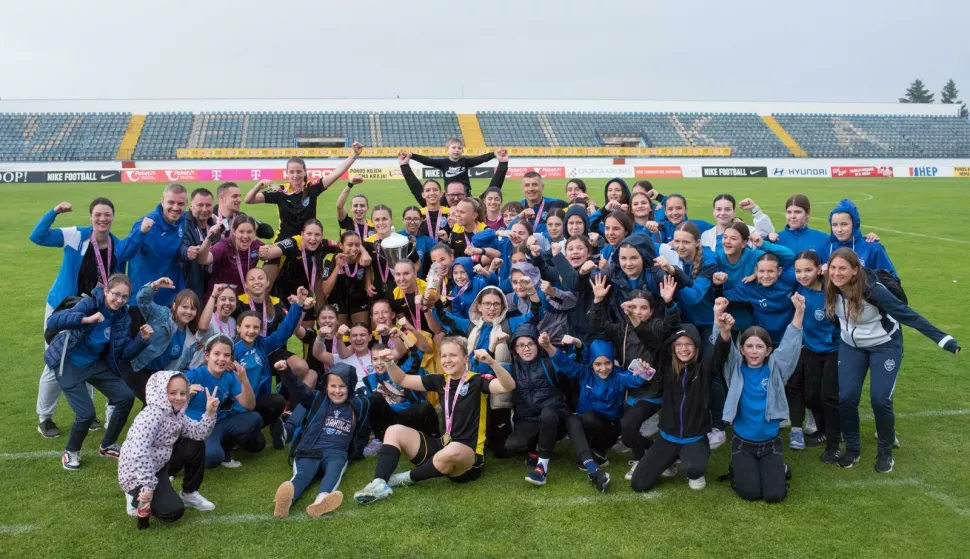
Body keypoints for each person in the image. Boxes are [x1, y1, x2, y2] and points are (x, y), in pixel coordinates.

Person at [826, 248, 960, 472]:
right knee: (846, 398)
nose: (836, 273)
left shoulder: (873, 291)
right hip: (851, 347)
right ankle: (852, 449)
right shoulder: (829, 285)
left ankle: (885, 451)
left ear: (855, 270)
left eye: (843, 268)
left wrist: (945, 340)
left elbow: (907, 314)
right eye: (833, 268)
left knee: (880, 399)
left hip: (885, 346)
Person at [30, 198, 151, 438]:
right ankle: (45, 417)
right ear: (90, 216)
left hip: (94, 310)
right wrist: (54, 211)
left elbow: (131, 249)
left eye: (107, 215)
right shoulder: (76, 235)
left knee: (89, 358)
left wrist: (142, 231)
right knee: (56, 361)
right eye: (98, 214)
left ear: (113, 217)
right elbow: (38, 236)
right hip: (64, 307)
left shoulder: (116, 245)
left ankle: (86, 412)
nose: (102, 219)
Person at [353, 337, 516, 505]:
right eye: (444, 355)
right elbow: (402, 380)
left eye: (453, 355)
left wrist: (491, 362)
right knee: (393, 430)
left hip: (468, 457)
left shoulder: (477, 380)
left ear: (465, 358)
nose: (447, 360)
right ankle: (379, 483)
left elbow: (508, 386)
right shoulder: (440, 380)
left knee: (453, 449)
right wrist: (389, 363)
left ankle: (399, 479)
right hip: (443, 446)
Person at [44, 274, 151, 470]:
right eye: (116, 294)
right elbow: (54, 321)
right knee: (86, 414)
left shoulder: (123, 316)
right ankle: (71, 452)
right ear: (106, 291)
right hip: (68, 363)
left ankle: (107, 445)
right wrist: (86, 319)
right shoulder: (90, 303)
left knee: (126, 396)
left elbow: (123, 353)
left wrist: (141, 340)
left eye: (124, 296)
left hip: (94, 364)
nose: (119, 300)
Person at [629, 300, 732, 493]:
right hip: (667, 437)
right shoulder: (666, 365)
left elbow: (720, 354)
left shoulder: (705, 367)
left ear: (696, 346)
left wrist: (724, 331)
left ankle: (693, 463)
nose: (684, 349)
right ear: (673, 347)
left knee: (694, 469)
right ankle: (671, 460)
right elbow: (649, 340)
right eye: (679, 344)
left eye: (689, 344)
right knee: (638, 484)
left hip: (695, 437)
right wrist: (633, 316)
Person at [538, 332, 649, 493]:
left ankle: (601, 452)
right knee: (572, 419)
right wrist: (548, 346)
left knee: (589, 417)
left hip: (609, 429)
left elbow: (637, 380)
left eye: (607, 363)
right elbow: (565, 363)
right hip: (587, 427)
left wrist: (644, 370)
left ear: (612, 362)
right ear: (591, 364)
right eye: (598, 364)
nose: (603, 368)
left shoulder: (618, 376)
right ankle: (592, 467)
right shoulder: (585, 373)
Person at [721, 294, 804, 503]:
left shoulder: (776, 369)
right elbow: (723, 346)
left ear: (768, 351)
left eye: (759, 347)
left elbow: (790, 345)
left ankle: (778, 468)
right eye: (749, 346)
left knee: (774, 495)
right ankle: (738, 466)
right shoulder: (735, 368)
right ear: (741, 350)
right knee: (750, 493)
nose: (754, 351)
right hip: (743, 443)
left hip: (770, 444)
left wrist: (799, 312)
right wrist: (720, 322)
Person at [118, 371, 219, 525]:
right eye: (172, 393)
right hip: (136, 474)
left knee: (195, 444)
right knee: (172, 511)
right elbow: (139, 453)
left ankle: (189, 493)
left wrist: (210, 413)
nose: (179, 397)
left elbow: (198, 433)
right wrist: (148, 486)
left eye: (183, 393)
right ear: (161, 391)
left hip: (160, 465)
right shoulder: (151, 415)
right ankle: (133, 494)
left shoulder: (176, 413)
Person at [274, 362, 370, 518]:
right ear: (326, 386)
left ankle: (321, 501)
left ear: (351, 386)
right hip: (310, 449)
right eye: (333, 386)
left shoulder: (358, 404)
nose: (337, 391)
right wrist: (286, 372)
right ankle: (285, 502)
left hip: (337, 452)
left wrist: (357, 452)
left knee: (334, 470)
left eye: (342, 386)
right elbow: (299, 388)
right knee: (302, 475)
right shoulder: (317, 398)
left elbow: (362, 430)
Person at [235, 286, 312, 449]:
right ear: (238, 328)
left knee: (277, 401)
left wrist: (298, 304)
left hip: (256, 400)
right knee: (254, 445)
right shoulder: (231, 351)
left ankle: (267, 423)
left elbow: (284, 332)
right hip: (237, 403)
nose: (251, 331)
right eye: (247, 327)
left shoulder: (262, 345)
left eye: (256, 327)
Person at [245, 145, 363, 241]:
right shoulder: (280, 190)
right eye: (292, 172)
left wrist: (354, 155)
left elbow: (336, 173)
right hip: (283, 240)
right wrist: (258, 186)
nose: (295, 175)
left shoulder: (312, 188)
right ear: (287, 173)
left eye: (299, 171)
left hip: (308, 241)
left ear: (305, 172)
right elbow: (248, 200)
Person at [505, 324, 569, 486]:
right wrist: (491, 348)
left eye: (530, 344)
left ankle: (542, 466)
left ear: (537, 345)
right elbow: (480, 367)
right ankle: (536, 447)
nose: (526, 349)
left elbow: (570, 367)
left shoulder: (549, 362)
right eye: (521, 345)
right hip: (528, 417)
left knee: (548, 415)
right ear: (515, 349)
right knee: (512, 446)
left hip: (554, 415)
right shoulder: (512, 369)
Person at [182, 335, 259, 469]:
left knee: (255, 418)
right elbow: (164, 397)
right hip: (193, 428)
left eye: (226, 355)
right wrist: (185, 393)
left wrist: (244, 380)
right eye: (216, 354)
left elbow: (249, 405)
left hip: (215, 424)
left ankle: (221, 446)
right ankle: (182, 453)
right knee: (213, 457)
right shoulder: (194, 375)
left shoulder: (229, 377)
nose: (222, 359)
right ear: (207, 356)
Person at [793, 251, 841, 460]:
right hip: (810, 349)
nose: (803, 275)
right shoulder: (798, 289)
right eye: (798, 271)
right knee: (811, 395)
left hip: (833, 350)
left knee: (829, 395)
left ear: (818, 269)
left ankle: (834, 444)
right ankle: (823, 430)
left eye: (808, 270)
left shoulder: (832, 290)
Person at [126, 279, 201, 402]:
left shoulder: (191, 342)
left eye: (193, 309)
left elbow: (184, 368)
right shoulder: (162, 314)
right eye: (184, 307)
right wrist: (154, 285)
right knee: (153, 402)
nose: (188, 312)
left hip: (160, 377)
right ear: (175, 306)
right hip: (138, 366)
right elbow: (142, 300)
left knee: (161, 404)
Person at [128, 183, 188, 306]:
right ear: (162, 201)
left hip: (170, 296)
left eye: (180, 204)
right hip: (143, 298)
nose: (175, 207)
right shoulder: (147, 223)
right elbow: (123, 253)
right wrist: (140, 233)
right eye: (171, 202)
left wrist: (211, 219)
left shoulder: (184, 220)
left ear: (186, 204)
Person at [194, 214, 265, 301]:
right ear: (234, 231)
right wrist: (209, 238)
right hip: (219, 299)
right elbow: (202, 260)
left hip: (242, 301)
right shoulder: (225, 246)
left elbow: (275, 250)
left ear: (254, 233)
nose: (245, 236)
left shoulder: (257, 246)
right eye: (241, 232)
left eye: (249, 232)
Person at [826, 199, 897, 277]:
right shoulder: (827, 247)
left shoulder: (873, 248)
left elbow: (892, 280)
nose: (839, 230)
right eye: (834, 225)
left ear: (855, 224)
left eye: (844, 224)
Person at [405, 138, 499, 191]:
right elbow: (427, 160)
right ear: (447, 150)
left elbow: (480, 159)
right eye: (453, 148)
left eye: (459, 148)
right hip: (449, 195)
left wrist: (493, 154)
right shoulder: (443, 163)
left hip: (465, 194)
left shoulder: (465, 162)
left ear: (462, 151)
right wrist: (412, 156)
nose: (457, 150)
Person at [321, 231, 372, 326]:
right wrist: (337, 267)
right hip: (337, 299)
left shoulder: (363, 258)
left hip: (358, 298)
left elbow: (368, 267)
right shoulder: (332, 260)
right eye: (350, 245)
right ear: (341, 245)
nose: (354, 248)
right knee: (341, 332)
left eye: (357, 245)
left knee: (361, 329)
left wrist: (368, 283)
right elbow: (325, 290)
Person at [701, 195, 774, 251]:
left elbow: (767, 234)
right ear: (713, 211)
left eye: (727, 209)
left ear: (734, 212)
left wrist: (755, 209)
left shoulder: (748, 231)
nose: (722, 213)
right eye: (718, 209)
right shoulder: (706, 235)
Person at [180, 188, 215, 301]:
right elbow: (181, 247)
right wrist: (187, 251)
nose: (204, 209)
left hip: (210, 285)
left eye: (208, 205)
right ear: (191, 206)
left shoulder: (215, 225)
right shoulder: (183, 224)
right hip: (190, 285)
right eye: (200, 205)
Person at [519, 172, 567, 236]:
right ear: (523, 189)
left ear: (542, 187)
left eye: (535, 185)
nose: (531, 189)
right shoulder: (518, 207)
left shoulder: (557, 204)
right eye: (527, 185)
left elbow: (576, 210)